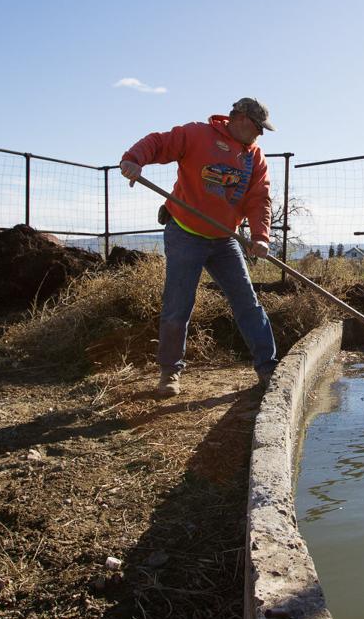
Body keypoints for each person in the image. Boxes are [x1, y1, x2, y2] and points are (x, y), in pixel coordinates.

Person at [119, 98, 278, 398]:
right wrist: (134, 159)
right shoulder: (197, 135)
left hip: (225, 239)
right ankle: (170, 371)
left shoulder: (255, 157)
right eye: (259, 128)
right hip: (185, 234)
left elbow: (260, 199)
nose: (260, 134)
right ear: (241, 119)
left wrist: (261, 237)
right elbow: (159, 143)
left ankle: (268, 368)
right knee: (178, 304)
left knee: (247, 301)